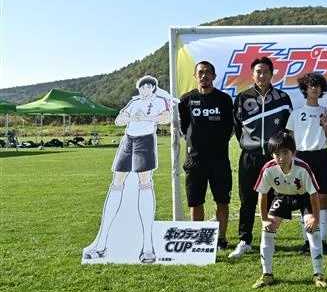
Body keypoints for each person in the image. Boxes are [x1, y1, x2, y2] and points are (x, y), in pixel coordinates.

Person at [83, 76, 170, 263]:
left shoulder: (159, 101)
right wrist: (132, 117)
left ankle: (147, 247)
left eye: (149, 86)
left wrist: (147, 117)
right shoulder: (134, 101)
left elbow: (166, 117)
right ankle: (101, 243)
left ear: (153, 88)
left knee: (145, 183)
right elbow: (119, 120)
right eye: (142, 86)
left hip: (145, 140)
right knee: (117, 183)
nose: (145, 89)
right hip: (128, 140)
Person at [229, 57, 293, 259]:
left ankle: (269, 238)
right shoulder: (242, 98)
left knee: (276, 197)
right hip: (249, 156)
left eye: (265, 72)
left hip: (275, 158)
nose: (261, 75)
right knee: (247, 198)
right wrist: (250, 144)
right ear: (252, 74)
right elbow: (238, 129)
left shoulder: (282, 97)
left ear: (272, 74)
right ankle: (244, 240)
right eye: (258, 72)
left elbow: (288, 129)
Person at [251, 132, 326, 288]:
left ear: (294, 152)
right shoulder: (268, 169)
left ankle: (318, 274)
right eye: (277, 154)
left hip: (304, 197)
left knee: (313, 231)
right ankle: (267, 274)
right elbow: (262, 194)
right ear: (271, 154)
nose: (281, 158)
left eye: (285, 153)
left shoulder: (303, 168)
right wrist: (264, 218)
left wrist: (315, 218)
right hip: (282, 196)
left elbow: (314, 194)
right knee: (267, 230)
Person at [178, 61, 234, 250]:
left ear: (214, 76)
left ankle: (221, 239)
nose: (204, 76)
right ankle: (199, 240)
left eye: (208, 72)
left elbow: (229, 128)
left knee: (222, 201)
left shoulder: (225, 100)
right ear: (195, 76)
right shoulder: (185, 100)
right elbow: (185, 127)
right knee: (196, 201)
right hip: (195, 160)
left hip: (219, 160)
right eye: (200, 72)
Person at [286, 73, 327, 255]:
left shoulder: (326, 112)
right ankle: (308, 240)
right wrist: (293, 162)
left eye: (317, 86)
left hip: (321, 157)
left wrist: (326, 126)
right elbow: (291, 141)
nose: (314, 88)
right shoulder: (296, 114)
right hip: (302, 158)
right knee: (304, 199)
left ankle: (323, 240)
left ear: (322, 90)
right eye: (310, 86)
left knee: (322, 198)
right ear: (305, 89)